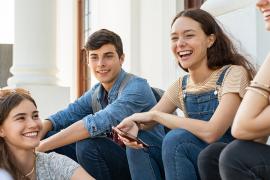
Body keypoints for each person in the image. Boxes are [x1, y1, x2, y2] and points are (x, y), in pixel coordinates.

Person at [116, 8, 256, 180]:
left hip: (227, 163)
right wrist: (135, 127)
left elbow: (212, 132)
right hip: (195, 159)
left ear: (210, 40)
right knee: (141, 139)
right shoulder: (181, 85)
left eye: (189, 35)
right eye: (175, 38)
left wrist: (155, 115)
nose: (180, 43)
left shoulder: (233, 74)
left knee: (177, 139)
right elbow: (149, 120)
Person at [36, 29, 165, 180]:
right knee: (52, 137)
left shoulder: (136, 87)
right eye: (94, 57)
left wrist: (39, 147)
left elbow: (93, 124)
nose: (101, 64)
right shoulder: (97, 92)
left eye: (108, 56)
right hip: (119, 159)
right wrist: (39, 133)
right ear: (88, 61)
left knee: (87, 145)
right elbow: (64, 116)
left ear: (121, 58)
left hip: (146, 159)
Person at [198, 0, 270, 179]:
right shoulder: (181, 84)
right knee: (212, 156)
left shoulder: (234, 74)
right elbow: (255, 138)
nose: (260, 3)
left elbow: (241, 127)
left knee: (236, 156)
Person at [0, 88, 94, 180]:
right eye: (21, 118)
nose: (33, 124)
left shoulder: (55, 163)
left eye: (35, 116)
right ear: (1, 130)